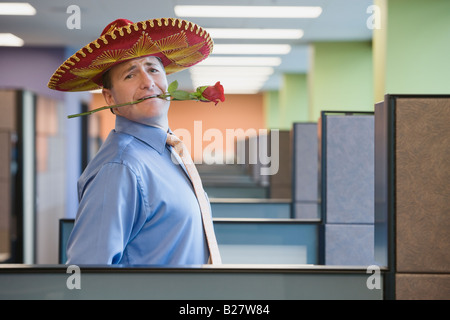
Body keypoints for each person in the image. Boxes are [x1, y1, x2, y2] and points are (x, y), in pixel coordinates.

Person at [48, 18, 221, 265]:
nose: (148, 82)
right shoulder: (119, 168)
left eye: (152, 69)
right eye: (130, 75)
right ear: (109, 98)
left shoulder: (167, 153)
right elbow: (88, 276)